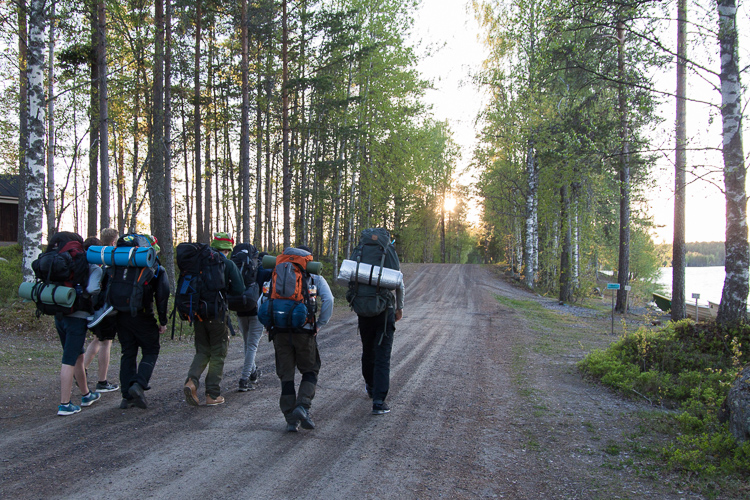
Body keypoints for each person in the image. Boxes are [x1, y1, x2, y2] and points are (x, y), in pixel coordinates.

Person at [264, 245, 333, 432]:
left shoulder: (276, 273)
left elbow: (262, 300)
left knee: (286, 374)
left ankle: (290, 419)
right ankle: (303, 406)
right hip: (304, 331)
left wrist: (268, 324)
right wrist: (319, 324)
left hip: (279, 330)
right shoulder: (314, 277)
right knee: (310, 369)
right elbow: (329, 300)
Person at [183, 232, 244, 406]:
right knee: (218, 353)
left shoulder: (197, 262)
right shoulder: (227, 264)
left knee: (202, 351)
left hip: (198, 314)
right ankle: (212, 394)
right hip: (217, 315)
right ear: (228, 249)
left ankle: (191, 381)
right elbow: (239, 289)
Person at [349, 228, 404, 415]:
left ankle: (371, 387)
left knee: (368, 349)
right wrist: (399, 307)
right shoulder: (388, 251)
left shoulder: (360, 250)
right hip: (384, 309)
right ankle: (379, 402)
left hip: (363, 307)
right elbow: (398, 281)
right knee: (382, 355)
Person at [48, 232, 102, 416]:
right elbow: (92, 289)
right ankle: (64, 404)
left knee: (78, 355)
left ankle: (86, 394)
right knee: (69, 360)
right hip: (77, 317)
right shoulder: (89, 265)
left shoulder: (63, 262)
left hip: (60, 314)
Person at [117, 235, 170, 409]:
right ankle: (139, 384)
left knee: (128, 353)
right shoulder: (155, 268)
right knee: (151, 349)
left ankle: (126, 396)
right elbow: (162, 296)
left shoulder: (119, 264)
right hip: (143, 315)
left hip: (120, 315)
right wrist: (163, 321)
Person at [83, 228, 119, 393]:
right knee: (105, 342)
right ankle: (102, 381)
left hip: (94, 307)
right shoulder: (111, 259)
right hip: (106, 309)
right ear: (113, 242)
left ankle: (82, 369)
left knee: (98, 339)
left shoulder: (96, 257)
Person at [236, 249, 272, 391]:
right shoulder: (266, 272)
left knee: (247, 344)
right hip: (257, 311)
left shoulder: (243, 269)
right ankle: (244, 379)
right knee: (252, 346)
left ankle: (253, 373)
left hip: (241, 309)